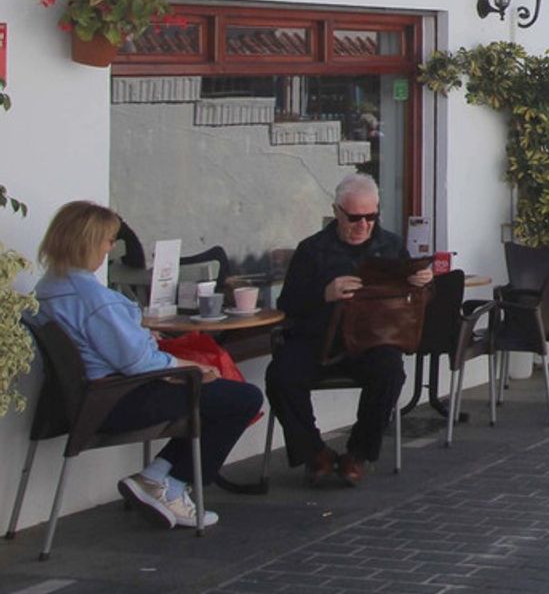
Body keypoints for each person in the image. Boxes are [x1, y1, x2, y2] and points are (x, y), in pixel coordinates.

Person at [33, 200, 262, 530]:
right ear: (88, 242)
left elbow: (104, 343)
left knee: (216, 394)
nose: (112, 247)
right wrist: (190, 367)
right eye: (108, 240)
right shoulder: (93, 299)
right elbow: (139, 361)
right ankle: (174, 484)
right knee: (242, 398)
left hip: (89, 397)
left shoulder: (48, 288)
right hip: (119, 399)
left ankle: (157, 476)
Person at [266, 173, 429, 488]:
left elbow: (413, 301)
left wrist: (421, 285)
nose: (363, 226)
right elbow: (288, 304)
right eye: (354, 218)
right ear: (336, 212)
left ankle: (358, 453)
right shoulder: (312, 249)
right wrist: (323, 293)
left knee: (390, 371)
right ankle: (315, 452)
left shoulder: (391, 245)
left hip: (371, 339)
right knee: (280, 376)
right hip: (318, 338)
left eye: (371, 217)